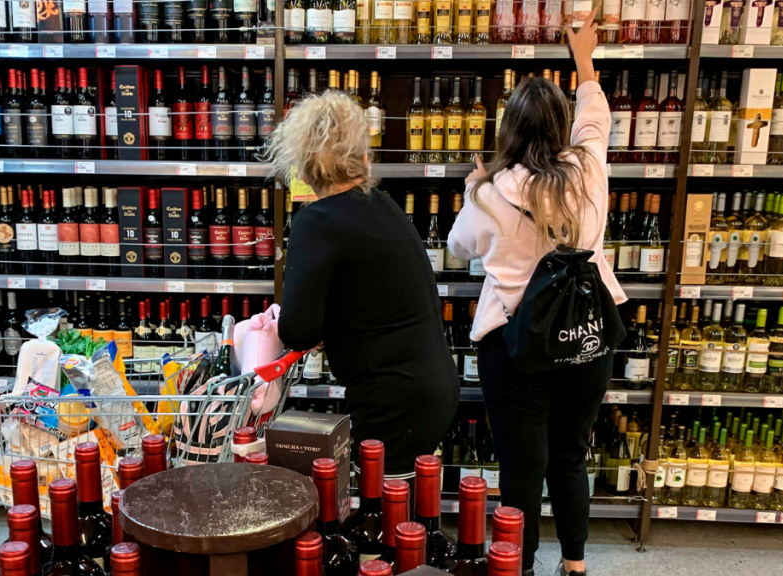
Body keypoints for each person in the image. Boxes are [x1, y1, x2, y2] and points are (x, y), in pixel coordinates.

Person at [446, 11, 625, 576]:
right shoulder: (590, 170)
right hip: (585, 337)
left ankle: (516, 566)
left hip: (514, 343)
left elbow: (458, 248)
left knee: (521, 466)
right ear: (561, 126)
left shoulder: (492, 192)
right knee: (570, 457)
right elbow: (596, 116)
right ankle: (575, 564)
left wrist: (473, 188)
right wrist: (583, 59)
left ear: (509, 131)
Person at [267, 89, 459, 478]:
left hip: (392, 400)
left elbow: (298, 330)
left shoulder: (316, 222)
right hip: (430, 386)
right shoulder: (382, 205)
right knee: (404, 502)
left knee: (383, 507)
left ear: (303, 165)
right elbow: (367, 295)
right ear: (362, 155)